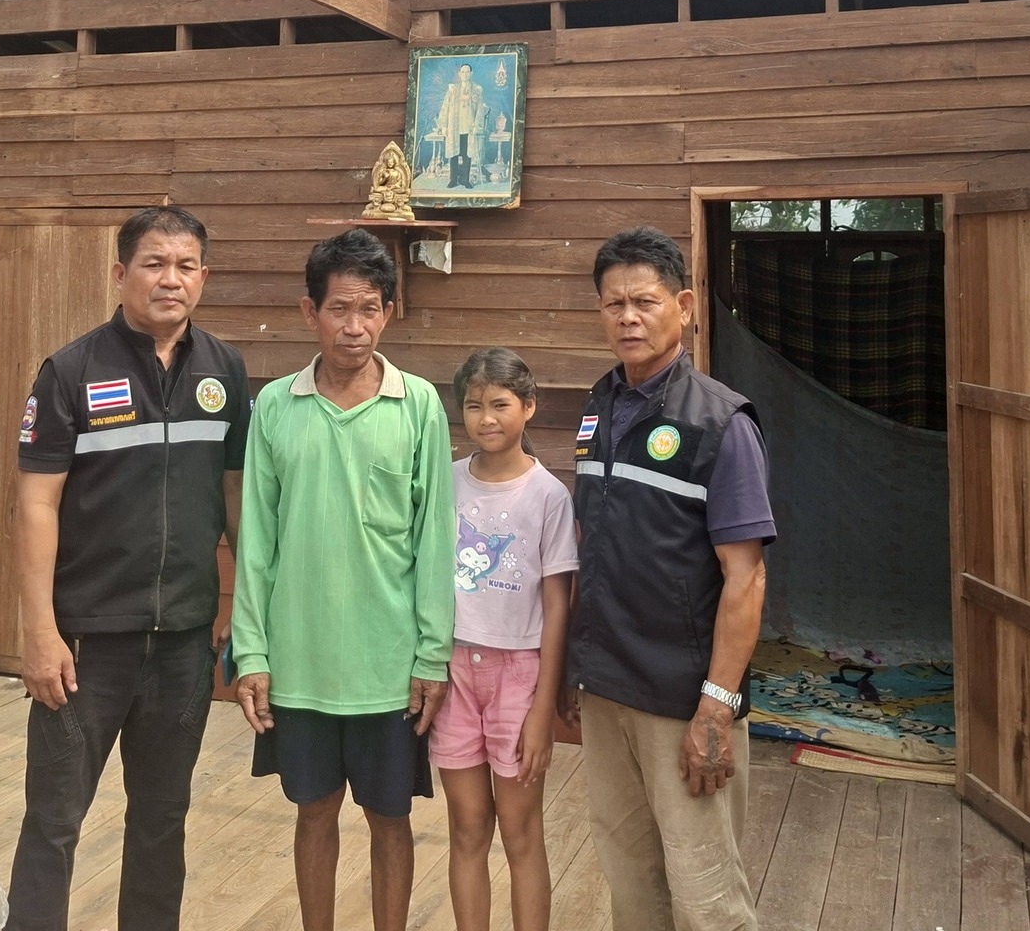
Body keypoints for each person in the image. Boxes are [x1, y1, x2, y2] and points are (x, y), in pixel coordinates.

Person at [6, 206, 251, 931]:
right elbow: (36, 505)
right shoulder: (72, 371)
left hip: (183, 641)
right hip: (86, 644)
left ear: (203, 276)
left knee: (161, 820)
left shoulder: (225, 369)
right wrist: (39, 632)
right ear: (121, 274)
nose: (170, 279)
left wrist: (239, 601)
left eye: (185, 266)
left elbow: (235, 496)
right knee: (54, 819)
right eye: (154, 264)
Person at [231, 230, 455, 931]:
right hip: (300, 664)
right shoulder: (275, 406)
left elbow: (435, 540)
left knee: (391, 819)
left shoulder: (419, 405)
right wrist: (252, 653)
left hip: (389, 669)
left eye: (369, 308)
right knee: (314, 811)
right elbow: (256, 542)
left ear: (388, 311)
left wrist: (432, 655)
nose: (354, 326)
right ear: (310, 312)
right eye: (339, 308)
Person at [562, 226, 774, 931]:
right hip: (606, 691)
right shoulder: (597, 408)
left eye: (645, 302)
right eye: (613, 303)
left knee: (706, 897)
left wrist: (717, 706)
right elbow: (592, 545)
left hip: (682, 703)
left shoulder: (721, 423)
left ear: (682, 306)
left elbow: (746, 577)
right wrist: (573, 669)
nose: (628, 317)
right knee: (632, 886)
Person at [432, 349, 576, 931]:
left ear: (529, 406)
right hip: (452, 670)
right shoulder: (446, 482)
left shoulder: (549, 496)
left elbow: (558, 604)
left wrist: (544, 709)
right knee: (467, 827)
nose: (487, 418)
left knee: (520, 831)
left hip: (520, 674)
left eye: (500, 404)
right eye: (474, 406)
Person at [435, 63, 488, 189]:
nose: (465, 74)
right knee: (454, 154)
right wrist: (444, 126)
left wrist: (477, 124)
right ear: (459, 74)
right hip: (454, 128)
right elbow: (445, 107)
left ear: (471, 73)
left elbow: (480, 109)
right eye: (462, 72)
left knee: (466, 155)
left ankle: (465, 180)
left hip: (468, 128)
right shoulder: (452, 89)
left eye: (467, 71)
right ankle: (453, 180)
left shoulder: (476, 89)